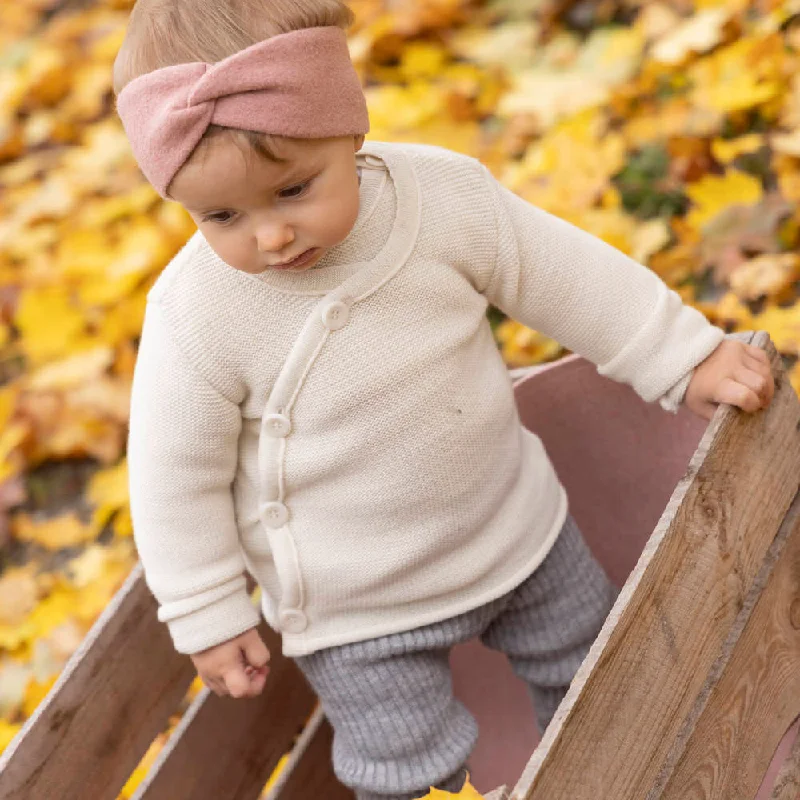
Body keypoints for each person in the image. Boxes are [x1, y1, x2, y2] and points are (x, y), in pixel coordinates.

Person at [113, 2, 775, 797]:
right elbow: (171, 476)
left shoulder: (439, 202)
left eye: (293, 190)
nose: (270, 237)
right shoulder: (199, 314)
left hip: (515, 530)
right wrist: (209, 613)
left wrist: (684, 356)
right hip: (358, 608)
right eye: (221, 215)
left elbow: (564, 274)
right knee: (404, 770)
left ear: (348, 131)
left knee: (604, 682)